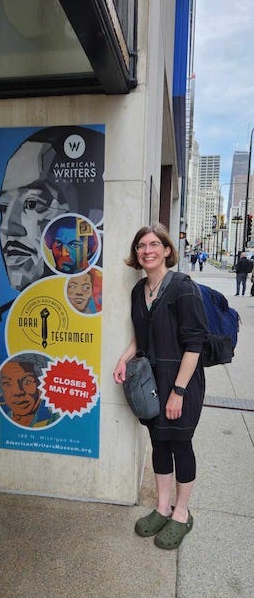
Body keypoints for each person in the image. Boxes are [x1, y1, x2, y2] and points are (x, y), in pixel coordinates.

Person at [113, 224, 208, 550]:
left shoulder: (183, 287)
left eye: (154, 244)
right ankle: (162, 506)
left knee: (180, 444)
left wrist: (178, 392)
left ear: (167, 250)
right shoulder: (139, 291)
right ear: (136, 254)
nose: (147, 250)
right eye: (141, 245)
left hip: (180, 382)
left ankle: (181, 513)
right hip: (151, 383)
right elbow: (141, 335)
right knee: (159, 444)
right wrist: (124, 360)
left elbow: (194, 345)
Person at [0, 126, 104, 293]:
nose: (7, 227)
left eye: (31, 204)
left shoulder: (94, 306)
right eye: (4, 207)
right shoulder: (4, 317)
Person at [0, 354, 59, 428]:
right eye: (7, 383)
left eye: (27, 382)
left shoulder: (53, 421)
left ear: (42, 385)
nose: (18, 392)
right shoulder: (2, 421)